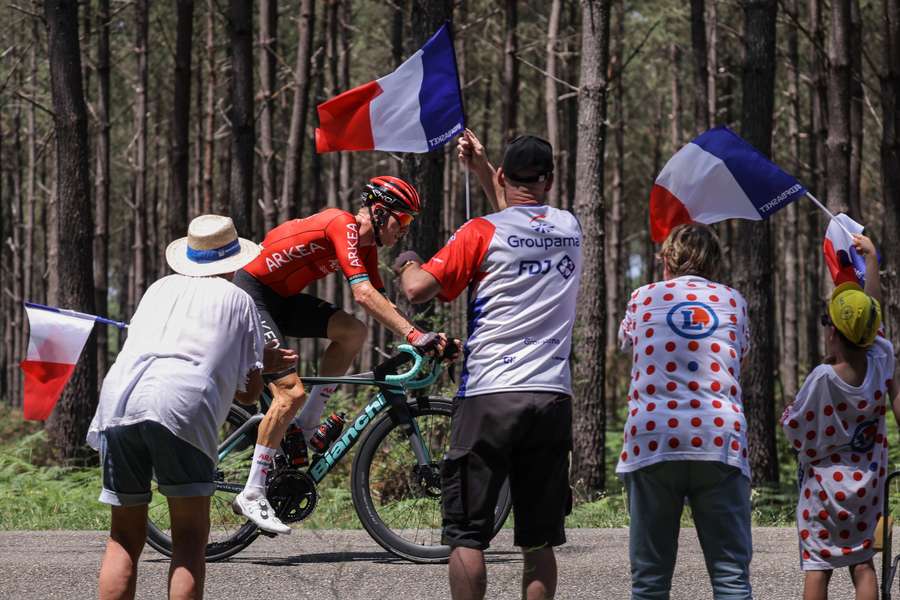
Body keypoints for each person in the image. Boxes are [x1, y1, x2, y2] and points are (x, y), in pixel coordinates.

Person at [395, 131, 581, 600]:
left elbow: (418, 289)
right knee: (538, 539)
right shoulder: (569, 227)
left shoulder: (481, 231)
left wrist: (406, 260)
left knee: (468, 534)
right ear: (551, 182)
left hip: (489, 395)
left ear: (503, 175)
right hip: (551, 396)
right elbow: (521, 217)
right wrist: (482, 169)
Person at [86, 215, 298, 600]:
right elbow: (249, 395)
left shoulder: (158, 288)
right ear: (234, 262)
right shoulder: (239, 299)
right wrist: (264, 363)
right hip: (182, 406)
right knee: (188, 540)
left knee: (123, 538)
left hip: (118, 402)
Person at [230, 175, 446, 534]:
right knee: (290, 393)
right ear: (378, 212)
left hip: (281, 300)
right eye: (402, 221)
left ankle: (308, 421)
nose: (404, 231)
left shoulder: (367, 247)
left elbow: (381, 301)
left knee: (353, 332)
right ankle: (252, 491)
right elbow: (362, 294)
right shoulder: (342, 224)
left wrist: (419, 337)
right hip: (252, 293)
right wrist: (414, 333)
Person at [617, 223, 753, 599]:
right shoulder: (733, 300)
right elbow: (741, 352)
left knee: (649, 581)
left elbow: (626, 342)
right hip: (720, 440)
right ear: (715, 262)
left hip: (652, 440)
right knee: (731, 579)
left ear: (666, 261)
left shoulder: (643, 297)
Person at [781, 234, 897, 600]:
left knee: (818, 566)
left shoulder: (822, 379)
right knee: (863, 564)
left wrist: (788, 411)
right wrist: (872, 261)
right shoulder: (882, 358)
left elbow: (796, 429)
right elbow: (870, 312)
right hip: (867, 487)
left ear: (832, 332)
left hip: (824, 493)